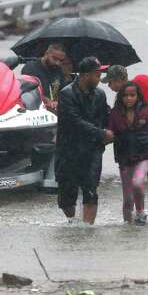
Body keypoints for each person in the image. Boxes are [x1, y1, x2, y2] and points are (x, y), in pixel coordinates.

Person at [55, 57, 113, 224]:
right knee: (66, 197)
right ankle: (73, 222)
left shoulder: (100, 94)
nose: (100, 78)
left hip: (92, 149)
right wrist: (101, 133)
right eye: (97, 74)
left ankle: (88, 230)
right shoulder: (66, 94)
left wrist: (114, 128)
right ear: (86, 75)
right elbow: (74, 121)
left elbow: (106, 116)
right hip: (69, 150)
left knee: (91, 191)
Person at [108, 82, 148, 225]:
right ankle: (128, 228)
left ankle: (140, 212)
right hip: (124, 158)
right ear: (120, 97)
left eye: (132, 95)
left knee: (137, 183)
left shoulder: (146, 112)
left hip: (144, 156)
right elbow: (108, 134)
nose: (129, 98)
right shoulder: (115, 114)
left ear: (138, 96)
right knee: (127, 199)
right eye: (125, 96)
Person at [101, 65, 148, 183]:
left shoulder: (123, 99)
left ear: (119, 80)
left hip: (146, 130)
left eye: (110, 82)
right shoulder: (143, 78)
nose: (109, 86)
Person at [21, 43, 68, 111]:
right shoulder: (31, 68)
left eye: (61, 60)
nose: (57, 63)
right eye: (55, 58)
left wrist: (58, 102)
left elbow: (64, 91)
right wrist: (46, 100)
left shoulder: (58, 69)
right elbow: (26, 92)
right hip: (35, 108)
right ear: (46, 53)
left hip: (55, 109)